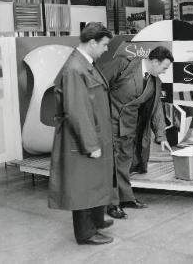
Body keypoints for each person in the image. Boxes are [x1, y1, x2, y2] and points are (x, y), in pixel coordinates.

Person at [48, 22, 115, 245]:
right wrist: (90, 144)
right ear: (93, 42)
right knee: (83, 186)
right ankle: (85, 233)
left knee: (95, 181)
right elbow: (77, 110)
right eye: (104, 45)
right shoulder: (75, 69)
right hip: (83, 139)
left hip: (96, 134)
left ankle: (96, 220)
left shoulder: (87, 63)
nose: (106, 49)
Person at [101, 46, 173, 219]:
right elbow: (97, 84)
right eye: (164, 68)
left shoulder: (155, 82)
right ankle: (112, 204)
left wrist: (161, 136)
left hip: (129, 127)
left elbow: (156, 110)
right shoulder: (123, 65)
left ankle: (125, 198)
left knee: (125, 162)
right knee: (110, 166)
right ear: (154, 62)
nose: (164, 72)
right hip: (108, 122)